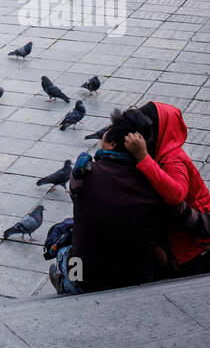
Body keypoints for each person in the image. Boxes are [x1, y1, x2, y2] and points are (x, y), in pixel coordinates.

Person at [64, 107, 169, 294]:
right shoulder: (158, 183)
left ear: (111, 143)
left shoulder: (84, 175)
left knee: (64, 248)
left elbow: (75, 195)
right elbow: (187, 216)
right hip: (138, 278)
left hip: (87, 278)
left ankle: (71, 287)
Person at [123, 102, 210, 277]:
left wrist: (143, 157)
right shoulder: (161, 154)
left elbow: (175, 195)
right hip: (181, 230)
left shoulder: (173, 159)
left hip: (195, 239)